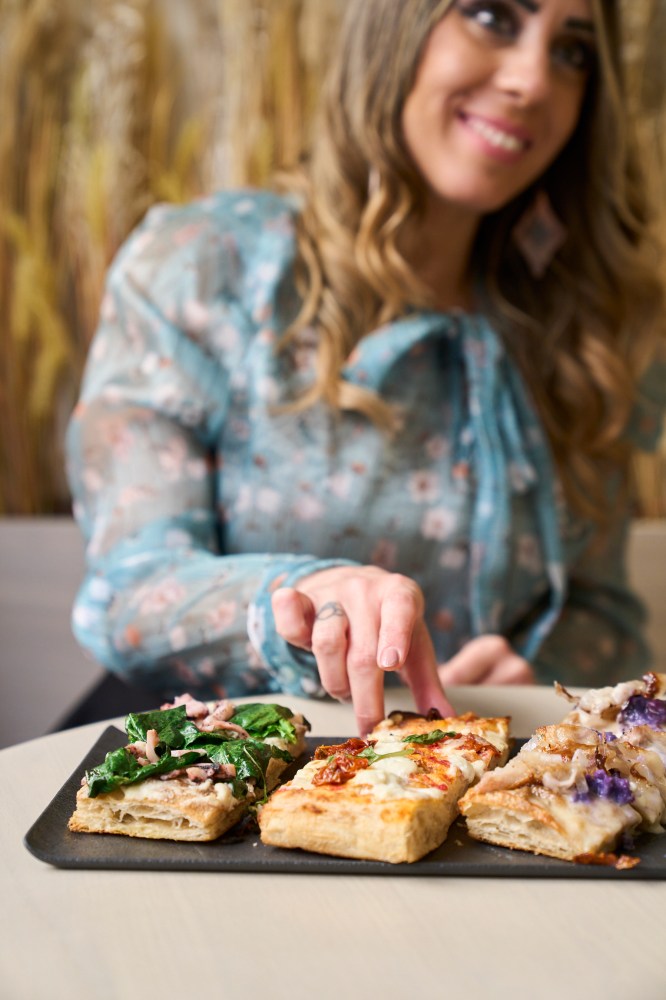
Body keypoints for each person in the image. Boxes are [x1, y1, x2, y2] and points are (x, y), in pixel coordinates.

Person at [66, 0, 666, 735]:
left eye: (572, 52)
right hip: (191, 772)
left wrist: (531, 677)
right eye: (491, 16)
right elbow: (129, 593)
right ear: (394, 26)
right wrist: (304, 596)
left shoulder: (586, 327)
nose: (533, 79)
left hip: (434, 788)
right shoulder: (207, 263)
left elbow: (598, 610)